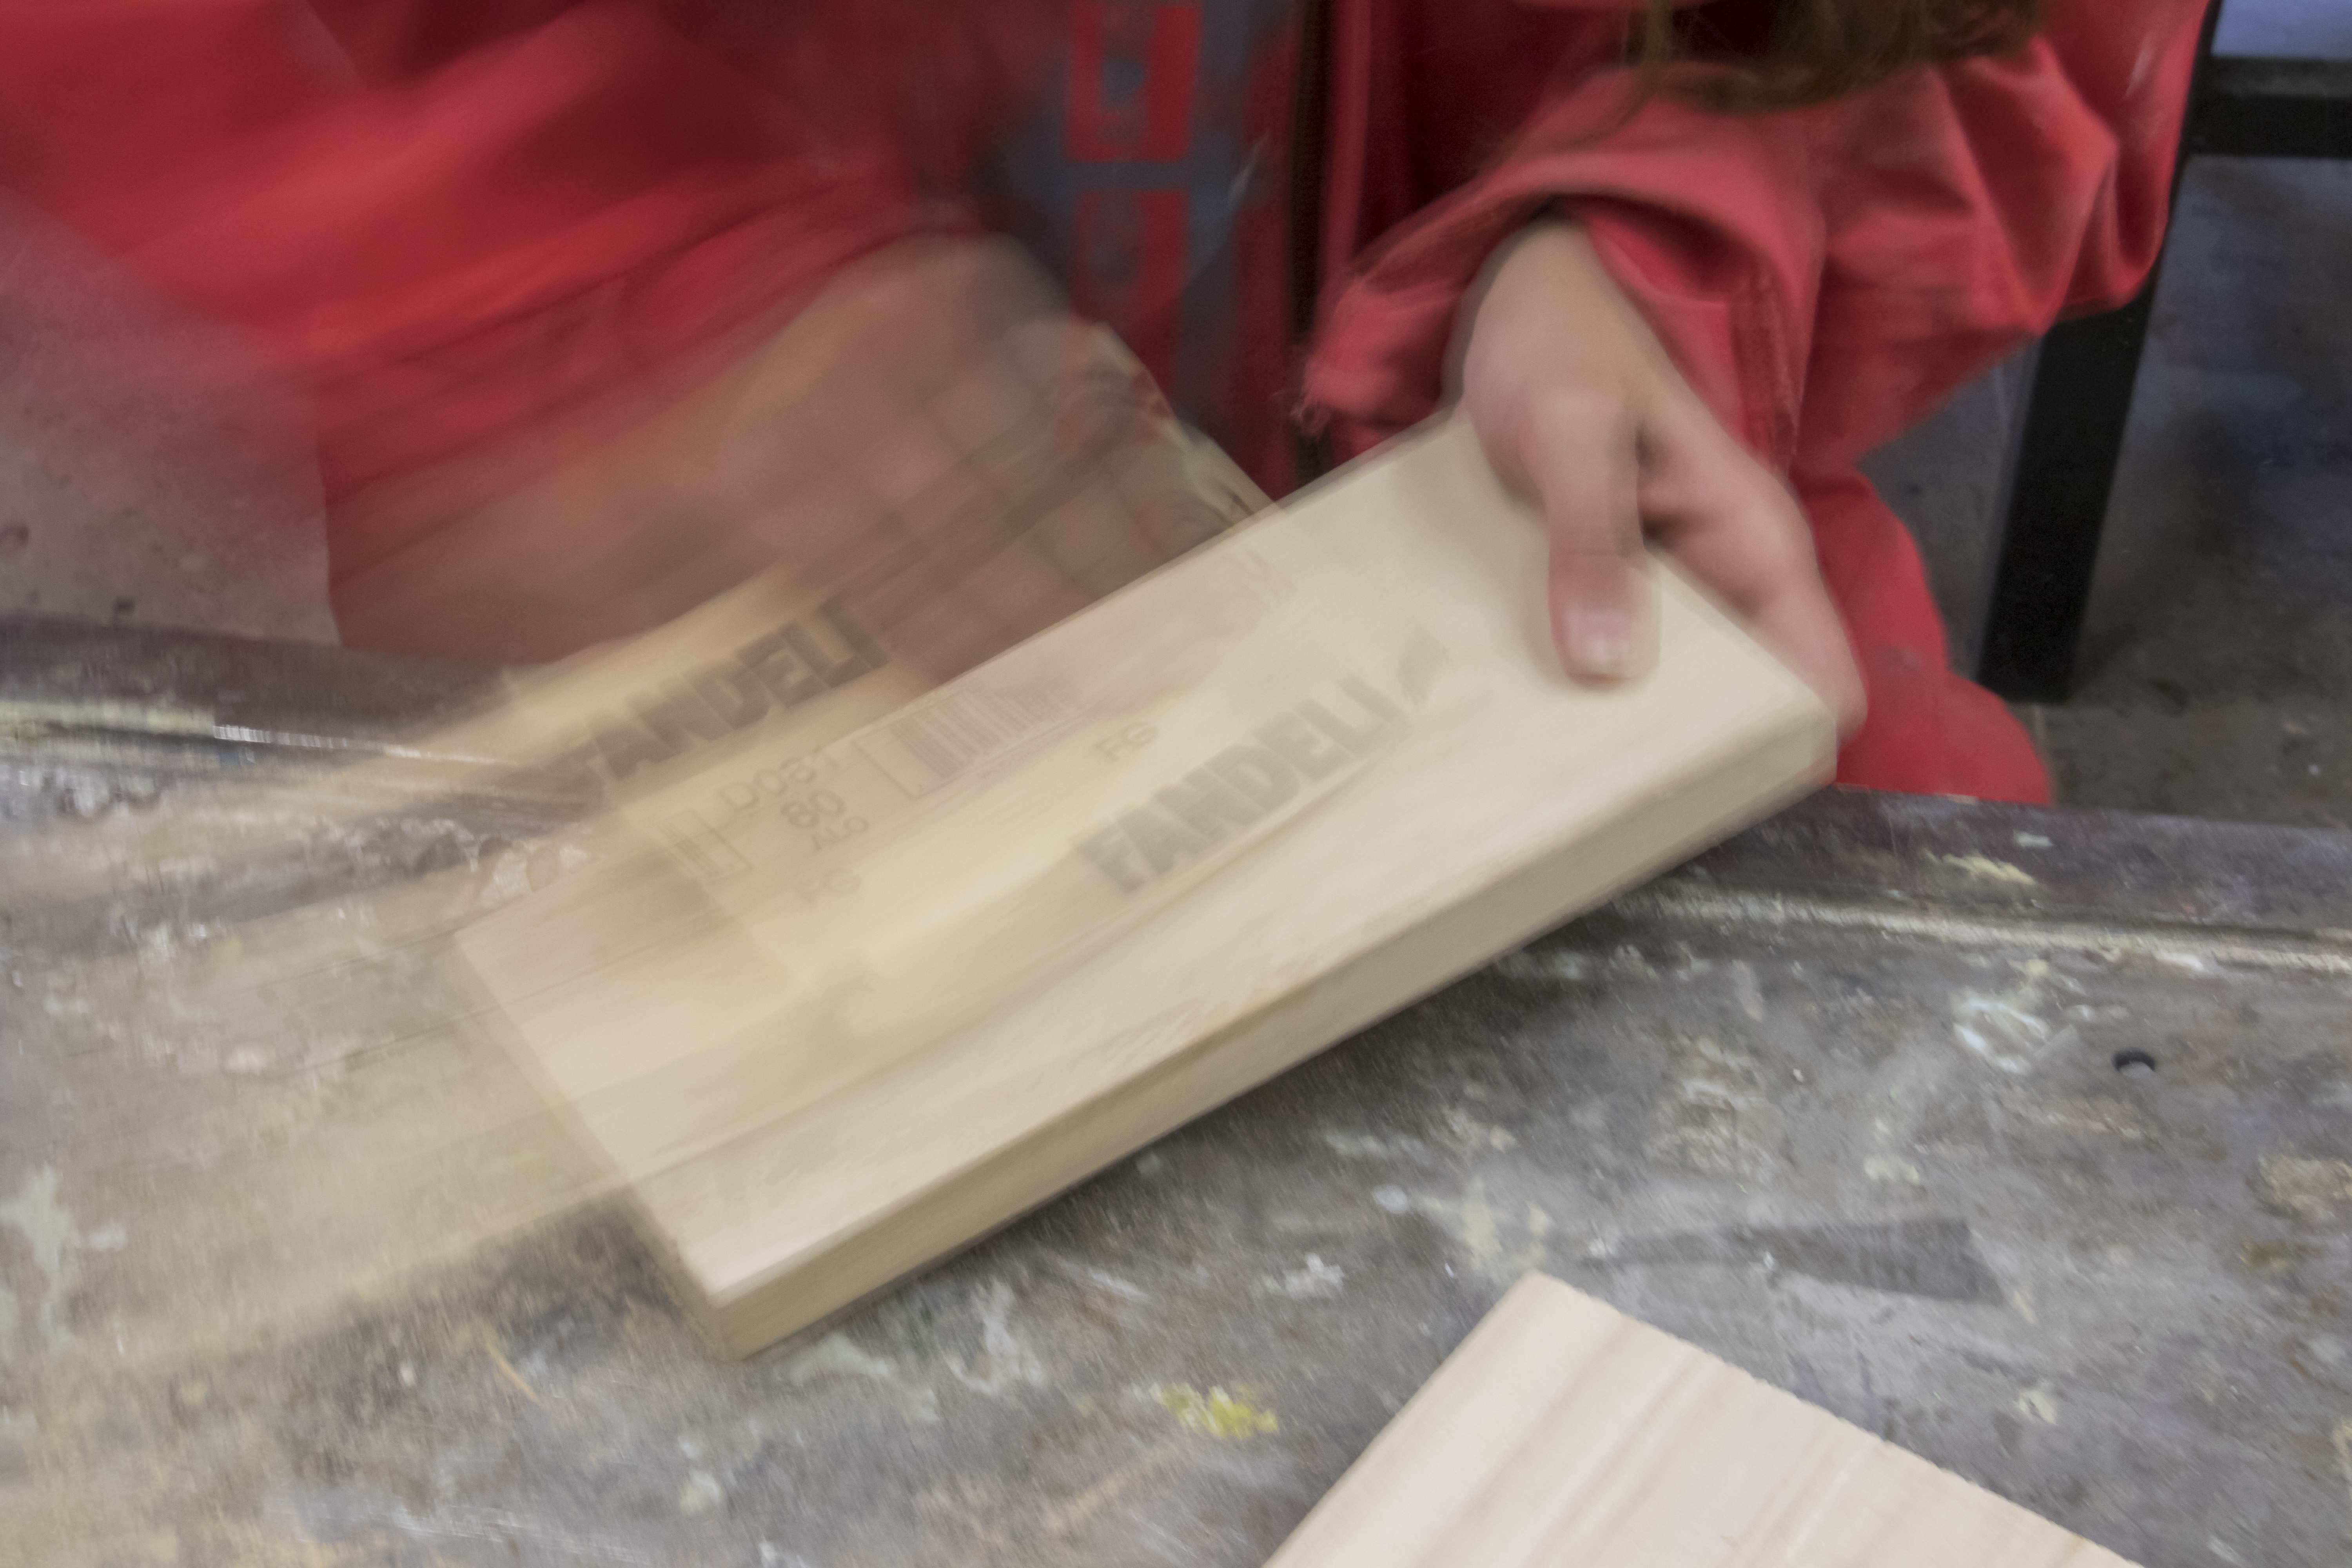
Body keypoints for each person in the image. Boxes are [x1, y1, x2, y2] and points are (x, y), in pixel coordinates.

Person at [0, 0, 2210, 800]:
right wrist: (624, 296)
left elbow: (2023, 57)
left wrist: (1657, 249)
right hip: (678, 594)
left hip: (1538, 574)